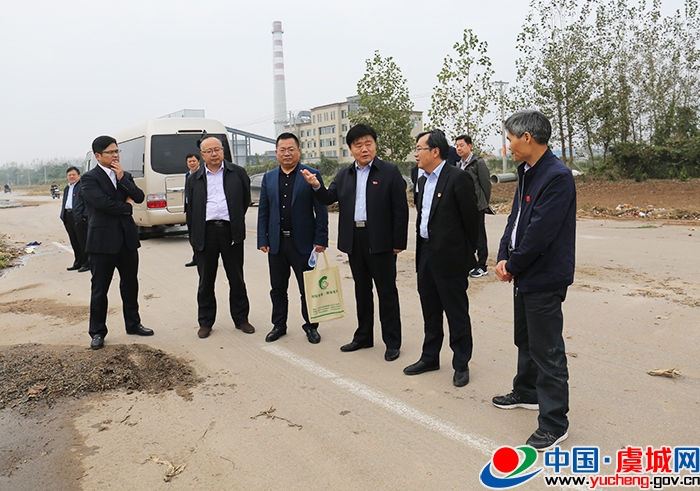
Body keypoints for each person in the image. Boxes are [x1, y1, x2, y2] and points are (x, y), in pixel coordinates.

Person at [492, 109, 576, 452]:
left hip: (544, 275)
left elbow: (541, 232)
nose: (508, 145)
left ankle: (554, 423)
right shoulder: (527, 172)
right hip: (524, 271)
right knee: (525, 339)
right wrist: (503, 255)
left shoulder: (557, 176)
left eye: (510, 139)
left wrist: (513, 265)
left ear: (527, 138)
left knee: (547, 350)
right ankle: (526, 392)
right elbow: (515, 220)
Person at [301, 123, 408, 362]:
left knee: (386, 292)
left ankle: (392, 342)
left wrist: (398, 242)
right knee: (361, 290)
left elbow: (400, 210)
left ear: (375, 145)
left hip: (381, 239)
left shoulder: (389, 172)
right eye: (358, 145)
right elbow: (329, 198)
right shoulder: (344, 174)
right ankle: (364, 336)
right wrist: (316, 185)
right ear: (351, 149)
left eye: (368, 143)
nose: (364, 149)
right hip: (355, 239)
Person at [403, 129, 479, 387]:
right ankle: (430, 357)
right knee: (430, 309)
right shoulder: (421, 179)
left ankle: (461, 363)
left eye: (419, 149)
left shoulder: (458, 178)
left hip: (451, 256)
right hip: (425, 252)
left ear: (435, 151)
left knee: (456, 312)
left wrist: (465, 255)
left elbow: (472, 221)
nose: (416, 154)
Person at [81, 136, 153, 350]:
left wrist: (123, 180)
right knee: (100, 289)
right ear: (98, 156)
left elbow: (139, 196)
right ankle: (97, 332)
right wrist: (127, 207)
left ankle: (133, 324)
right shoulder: (89, 178)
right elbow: (104, 204)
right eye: (110, 152)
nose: (115, 155)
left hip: (127, 240)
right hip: (102, 243)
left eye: (116, 151)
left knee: (130, 285)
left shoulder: (125, 175)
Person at [257, 133, 328, 344]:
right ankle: (279, 325)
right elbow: (263, 211)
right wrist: (263, 239)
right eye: (282, 149)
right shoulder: (269, 178)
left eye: (291, 149)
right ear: (276, 152)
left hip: (303, 243)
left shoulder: (311, 174)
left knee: (307, 288)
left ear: (298, 151)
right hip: (277, 243)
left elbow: (321, 209)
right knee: (278, 288)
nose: (286, 153)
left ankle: (311, 326)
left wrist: (321, 239)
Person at [186, 136, 254, 339]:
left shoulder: (237, 173)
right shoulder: (194, 178)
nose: (214, 154)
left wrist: (234, 220)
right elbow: (191, 210)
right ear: (202, 155)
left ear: (223, 150)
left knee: (236, 278)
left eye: (217, 149)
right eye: (209, 151)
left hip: (230, 231)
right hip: (205, 233)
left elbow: (245, 200)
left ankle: (241, 319)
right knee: (206, 281)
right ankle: (206, 322)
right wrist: (194, 237)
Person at [455, 135, 492, 278]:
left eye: (461, 145)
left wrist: (483, 202)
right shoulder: (459, 164)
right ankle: (470, 263)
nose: (459, 148)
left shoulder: (478, 163)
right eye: (457, 146)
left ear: (469, 146)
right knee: (466, 235)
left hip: (477, 206)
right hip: (463, 206)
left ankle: (482, 265)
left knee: (479, 235)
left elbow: (486, 184)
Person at [60, 166, 89, 272]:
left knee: (83, 241)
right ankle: (78, 262)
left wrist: (84, 216)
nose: (71, 177)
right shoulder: (67, 188)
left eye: (73, 175)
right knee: (74, 241)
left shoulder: (82, 186)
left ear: (79, 176)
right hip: (68, 216)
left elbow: (87, 202)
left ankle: (87, 263)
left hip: (79, 217)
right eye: (69, 175)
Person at [184, 153, 200, 267]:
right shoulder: (187, 174)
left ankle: (201, 257)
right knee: (192, 234)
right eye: (189, 161)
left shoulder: (202, 174)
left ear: (198, 162)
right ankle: (196, 257)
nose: (192, 163)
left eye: (194, 161)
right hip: (189, 208)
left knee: (199, 234)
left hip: (199, 208)